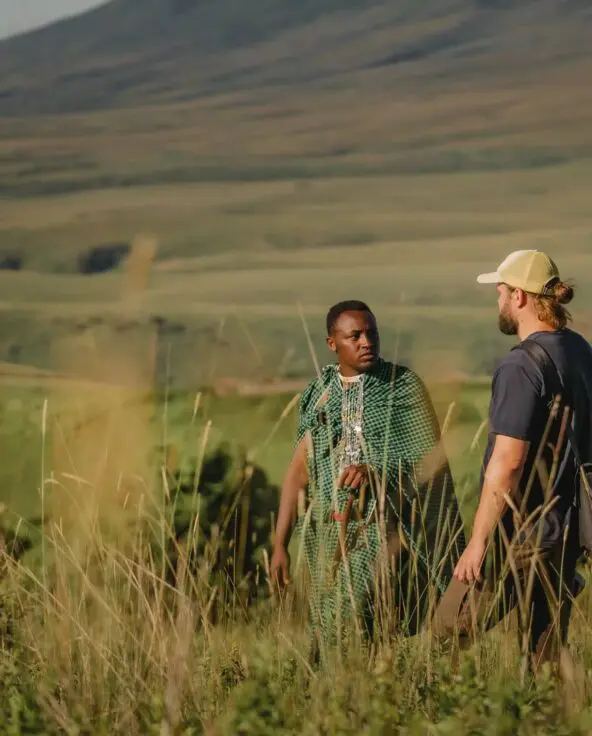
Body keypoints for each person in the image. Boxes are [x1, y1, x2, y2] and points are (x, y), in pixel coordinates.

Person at [270, 300, 466, 662]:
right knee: (339, 626)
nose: (366, 342)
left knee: (341, 620)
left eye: (371, 333)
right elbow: (299, 471)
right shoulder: (319, 393)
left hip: (383, 529)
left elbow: (428, 460)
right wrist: (280, 542)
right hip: (326, 533)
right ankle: (348, 698)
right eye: (354, 336)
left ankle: (333, 687)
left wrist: (377, 470)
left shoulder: (402, 386)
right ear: (333, 344)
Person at [432, 249, 590, 673]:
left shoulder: (521, 365)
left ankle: (458, 712)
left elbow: (508, 462)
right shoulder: (579, 350)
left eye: (501, 291)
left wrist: (479, 543)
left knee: (449, 630)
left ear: (519, 297)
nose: (498, 299)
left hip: (523, 528)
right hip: (570, 525)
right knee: (544, 651)